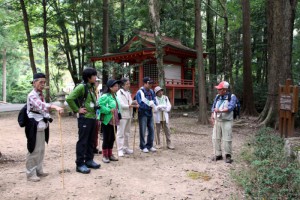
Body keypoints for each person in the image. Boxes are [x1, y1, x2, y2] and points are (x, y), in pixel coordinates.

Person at [25, 73, 64, 182]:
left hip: (42, 124)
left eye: (44, 82)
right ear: (34, 82)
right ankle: (30, 173)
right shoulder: (31, 95)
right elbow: (41, 106)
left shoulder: (41, 95)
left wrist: (52, 113)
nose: (42, 84)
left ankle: (38, 169)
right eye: (40, 82)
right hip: (33, 125)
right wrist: (54, 106)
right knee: (33, 149)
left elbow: (44, 109)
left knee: (41, 149)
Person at [66, 67, 101, 174]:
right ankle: (80, 164)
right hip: (85, 118)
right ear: (88, 77)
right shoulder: (82, 87)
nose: (96, 78)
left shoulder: (91, 87)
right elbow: (69, 98)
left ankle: (89, 160)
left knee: (91, 140)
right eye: (94, 76)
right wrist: (77, 110)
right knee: (83, 141)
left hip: (92, 117)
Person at [210, 81, 237, 164]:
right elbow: (213, 106)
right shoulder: (217, 96)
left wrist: (220, 110)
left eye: (219, 89)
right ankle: (218, 154)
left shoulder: (232, 97)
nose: (218, 90)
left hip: (227, 121)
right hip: (217, 120)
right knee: (215, 138)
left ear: (225, 90)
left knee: (227, 139)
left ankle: (228, 155)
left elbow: (230, 107)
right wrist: (212, 115)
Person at [98, 79, 121, 163]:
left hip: (115, 119)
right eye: (115, 86)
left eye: (117, 86)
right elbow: (100, 106)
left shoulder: (115, 95)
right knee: (106, 137)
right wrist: (108, 110)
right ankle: (105, 155)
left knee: (112, 137)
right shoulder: (105, 96)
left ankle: (110, 154)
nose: (117, 87)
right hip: (107, 120)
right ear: (110, 87)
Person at [116, 78, 139, 157]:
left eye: (129, 84)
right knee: (120, 133)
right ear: (123, 85)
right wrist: (131, 105)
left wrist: (133, 102)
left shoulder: (128, 92)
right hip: (122, 115)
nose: (129, 85)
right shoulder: (119, 93)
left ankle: (126, 148)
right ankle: (120, 149)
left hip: (129, 115)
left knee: (127, 133)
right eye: (127, 84)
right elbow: (121, 105)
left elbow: (129, 102)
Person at [135, 77, 157, 153]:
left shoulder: (152, 91)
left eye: (151, 83)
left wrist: (153, 104)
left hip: (150, 113)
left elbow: (154, 100)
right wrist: (149, 105)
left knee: (151, 129)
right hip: (142, 113)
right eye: (149, 83)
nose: (151, 85)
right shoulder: (140, 92)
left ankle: (150, 145)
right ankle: (142, 146)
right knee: (143, 130)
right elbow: (140, 103)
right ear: (144, 83)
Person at [93, 78, 102, 154]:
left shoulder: (98, 91)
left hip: (97, 113)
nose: (97, 83)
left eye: (98, 81)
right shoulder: (90, 90)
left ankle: (95, 147)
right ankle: (90, 147)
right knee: (92, 131)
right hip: (91, 113)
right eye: (96, 81)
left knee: (96, 131)